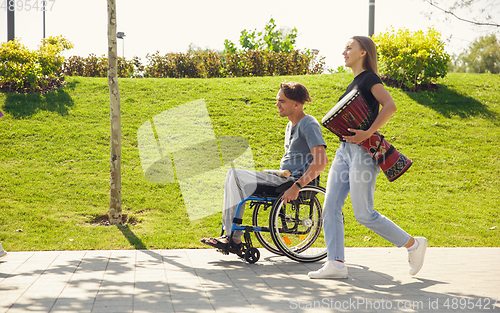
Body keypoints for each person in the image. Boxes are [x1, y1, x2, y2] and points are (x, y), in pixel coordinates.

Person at [308, 36, 427, 279]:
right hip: (343, 151)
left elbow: (390, 105)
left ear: (363, 52)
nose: (344, 52)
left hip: (363, 152)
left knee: (363, 213)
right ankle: (336, 264)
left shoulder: (370, 79)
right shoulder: (352, 83)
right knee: (330, 207)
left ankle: (413, 245)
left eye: (349, 48)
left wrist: (369, 132)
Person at [201, 82, 328, 254]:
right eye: (278, 100)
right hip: (283, 177)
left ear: (297, 104)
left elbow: (321, 162)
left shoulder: (309, 124)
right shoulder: (290, 126)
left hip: (291, 181)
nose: (277, 105)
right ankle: (231, 235)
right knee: (234, 176)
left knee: (235, 175)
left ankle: (233, 237)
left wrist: (296, 186)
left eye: (282, 101)